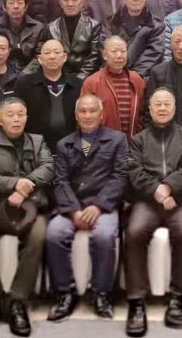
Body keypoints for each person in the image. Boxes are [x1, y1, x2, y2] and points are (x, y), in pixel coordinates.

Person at [0, 96, 53, 337]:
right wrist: (15, 184)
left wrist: (26, 187)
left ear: (26, 118)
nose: (16, 119)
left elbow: (48, 168)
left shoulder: (37, 141)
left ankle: (18, 300)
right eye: (10, 115)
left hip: (29, 207)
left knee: (38, 235)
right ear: (0, 120)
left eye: (20, 114)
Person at [123, 88, 182, 337]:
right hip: (147, 202)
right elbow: (134, 170)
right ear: (150, 108)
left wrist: (168, 187)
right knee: (134, 231)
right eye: (158, 104)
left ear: (175, 107)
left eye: (167, 103)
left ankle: (177, 297)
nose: (163, 108)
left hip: (180, 201)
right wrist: (156, 190)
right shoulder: (139, 139)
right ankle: (136, 301)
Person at [45, 94, 127, 323]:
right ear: (76, 115)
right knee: (54, 233)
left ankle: (101, 294)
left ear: (101, 115)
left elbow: (120, 176)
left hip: (103, 206)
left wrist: (99, 206)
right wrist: (73, 211)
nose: (88, 115)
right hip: (73, 206)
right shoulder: (64, 144)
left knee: (103, 235)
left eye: (93, 111)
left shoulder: (117, 140)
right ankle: (65, 293)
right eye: (83, 111)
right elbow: (60, 181)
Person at [15, 39, 81, 149]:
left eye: (56, 52)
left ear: (64, 57)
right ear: (39, 59)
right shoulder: (24, 84)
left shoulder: (77, 84)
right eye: (47, 53)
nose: (52, 56)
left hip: (71, 148)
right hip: (35, 149)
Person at [81, 35, 145, 138]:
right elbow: (84, 117)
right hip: (103, 143)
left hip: (133, 143)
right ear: (105, 55)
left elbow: (143, 114)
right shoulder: (92, 82)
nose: (119, 55)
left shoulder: (137, 80)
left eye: (123, 51)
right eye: (114, 51)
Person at [33, 0, 102, 80]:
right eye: (66, 0)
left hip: (86, 78)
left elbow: (94, 57)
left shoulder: (94, 26)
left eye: (74, 0)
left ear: (82, 3)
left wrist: (78, 79)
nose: (70, 4)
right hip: (57, 77)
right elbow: (41, 54)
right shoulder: (51, 27)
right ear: (61, 3)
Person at [104, 0, 166, 77]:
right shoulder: (111, 22)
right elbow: (106, 50)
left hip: (142, 77)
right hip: (113, 75)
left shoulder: (156, 26)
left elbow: (152, 55)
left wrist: (133, 77)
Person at [0, 0, 47, 75]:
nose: (16, 6)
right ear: (4, 7)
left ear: (26, 6)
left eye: (20, 2)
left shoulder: (38, 28)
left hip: (30, 75)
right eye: (11, 3)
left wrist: (24, 75)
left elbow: (39, 56)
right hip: (1, 74)